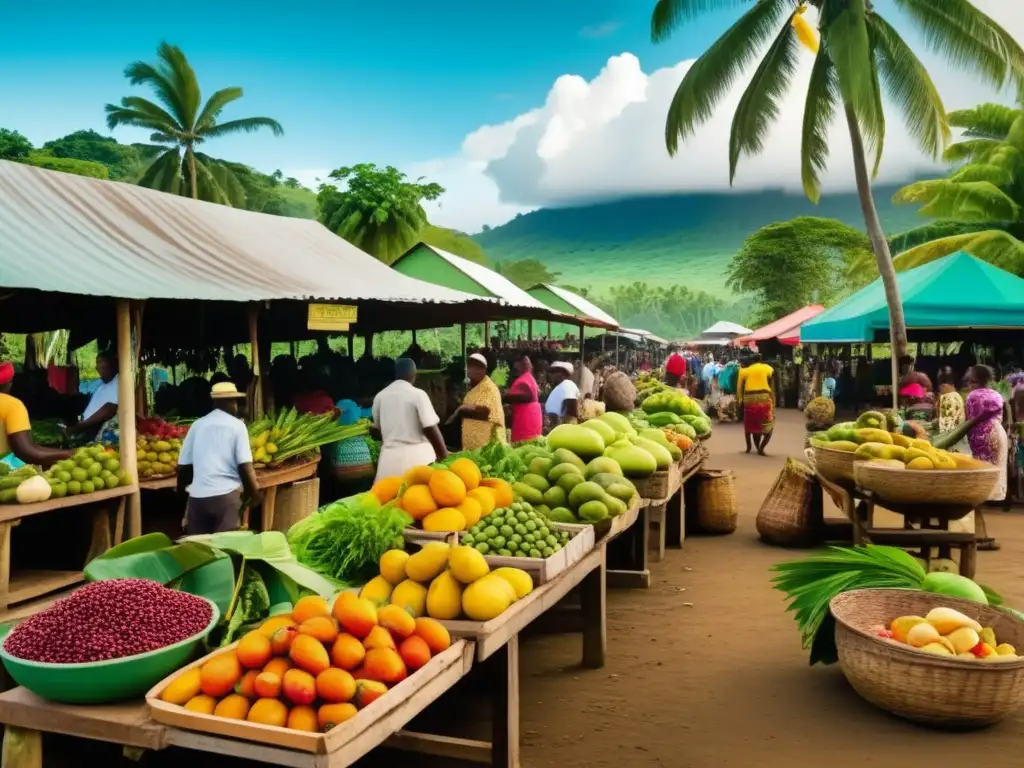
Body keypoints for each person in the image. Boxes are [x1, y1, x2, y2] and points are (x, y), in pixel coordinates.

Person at [177, 382, 263, 534]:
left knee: (200, 550)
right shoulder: (237, 426)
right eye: (235, 401)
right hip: (226, 498)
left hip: (198, 499)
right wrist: (254, 492)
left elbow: (183, 466)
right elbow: (245, 466)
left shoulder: (197, 425)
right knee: (226, 549)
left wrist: (185, 500)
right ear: (231, 403)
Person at [371, 358, 447, 481]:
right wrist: (444, 455)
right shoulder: (418, 394)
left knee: (386, 498)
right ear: (414, 374)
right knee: (417, 498)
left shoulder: (380, 396)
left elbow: (376, 431)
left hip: (388, 462)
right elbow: (430, 427)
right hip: (418, 460)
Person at [958, 365, 1008, 550]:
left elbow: (969, 422)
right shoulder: (995, 394)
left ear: (974, 378)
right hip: (998, 434)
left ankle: (977, 534)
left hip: (983, 437)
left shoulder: (973, 396)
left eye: (969, 376)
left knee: (976, 481)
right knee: (987, 478)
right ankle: (979, 533)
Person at [0, 362, 72, 466]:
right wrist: (72, 454)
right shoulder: (12, 405)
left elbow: (29, 447)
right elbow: (27, 452)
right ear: (9, 382)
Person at [447, 353, 506, 451]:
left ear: (482, 370)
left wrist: (461, 410)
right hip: (475, 448)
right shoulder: (475, 386)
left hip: (488, 448)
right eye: (469, 367)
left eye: (472, 368)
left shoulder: (488, 388)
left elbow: (485, 412)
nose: (468, 370)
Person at [67, 350, 119, 441]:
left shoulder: (118, 381)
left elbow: (109, 408)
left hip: (100, 432)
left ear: (111, 364)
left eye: (100, 362)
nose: (97, 367)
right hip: (87, 429)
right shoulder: (101, 386)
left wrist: (77, 427)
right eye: (97, 363)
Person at [737, 354, 775, 455]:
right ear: (761, 360)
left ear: (751, 361)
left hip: (749, 399)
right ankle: (761, 448)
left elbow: (739, 387)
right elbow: (771, 382)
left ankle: (749, 447)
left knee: (750, 424)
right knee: (768, 425)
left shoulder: (744, 371)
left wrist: (740, 400)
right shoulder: (768, 368)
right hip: (764, 397)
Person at [505, 353, 543, 443]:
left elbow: (526, 396)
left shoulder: (523, 380)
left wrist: (504, 397)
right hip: (530, 425)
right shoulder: (529, 378)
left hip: (525, 427)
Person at [545, 361, 580, 427]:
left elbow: (572, 407)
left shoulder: (567, 384)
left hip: (562, 428)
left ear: (562, 373)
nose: (550, 375)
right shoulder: (562, 385)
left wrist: (560, 423)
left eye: (553, 372)